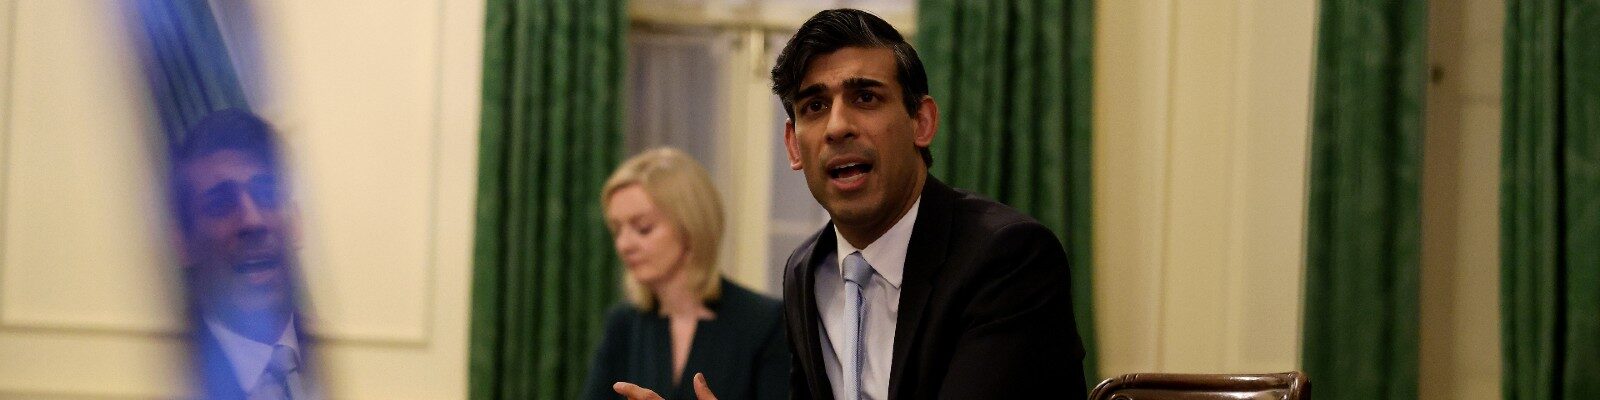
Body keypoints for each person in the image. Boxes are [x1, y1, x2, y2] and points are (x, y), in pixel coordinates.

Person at [615, 8, 1088, 399]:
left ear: (922, 122)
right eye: (815, 107)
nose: (838, 126)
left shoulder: (1007, 258)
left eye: (865, 97)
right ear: (793, 146)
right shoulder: (806, 271)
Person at [584, 148, 790, 400]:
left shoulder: (766, 323)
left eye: (643, 228)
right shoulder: (622, 324)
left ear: (691, 227)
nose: (623, 244)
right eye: (617, 230)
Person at [171, 109, 320, 400]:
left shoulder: (348, 354)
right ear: (183, 243)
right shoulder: (163, 374)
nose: (253, 221)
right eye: (220, 204)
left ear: (296, 222)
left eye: (267, 195)